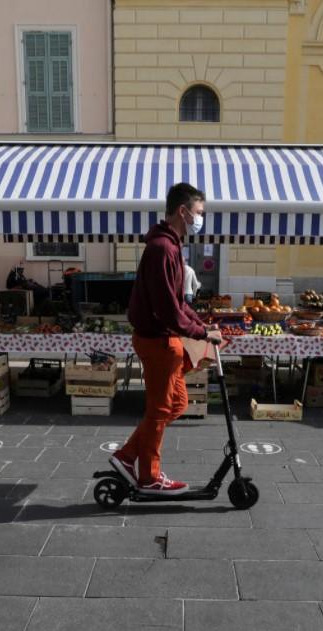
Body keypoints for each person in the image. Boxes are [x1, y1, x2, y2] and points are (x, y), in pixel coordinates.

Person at [108, 182, 212, 496]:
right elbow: (168, 309)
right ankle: (149, 477)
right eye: (198, 212)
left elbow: (178, 302)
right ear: (183, 211)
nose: (200, 218)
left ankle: (126, 457)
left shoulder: (169, 246)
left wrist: (202, 326)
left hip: (164, 339)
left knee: (176, 405)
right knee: (158, 410)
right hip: (159, 341)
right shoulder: (162, 249)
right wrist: (200, 332)